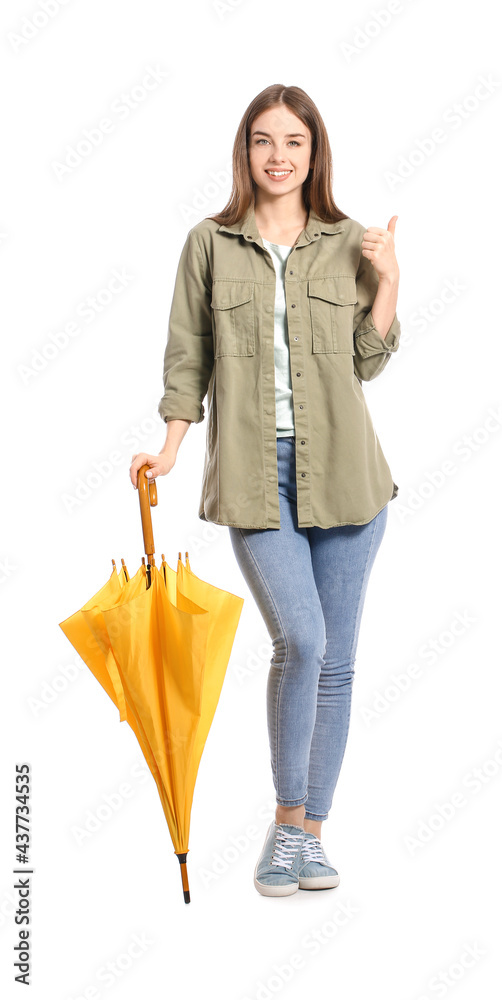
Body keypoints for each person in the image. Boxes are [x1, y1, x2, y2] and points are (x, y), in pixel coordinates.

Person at [129, 84, 402, 898]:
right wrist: (172, 447)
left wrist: (388, 279)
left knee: (339, 661)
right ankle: (289, 824)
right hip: (255, 478)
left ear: (315, 154)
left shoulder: (351, 240)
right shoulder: (209, 243)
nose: (277, 155)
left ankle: (307, 838)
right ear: (244, 152)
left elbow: (368, 360)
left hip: (351, 479)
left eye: (294, 141)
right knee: (304, 644)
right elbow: (189, 353)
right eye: (262, 140)